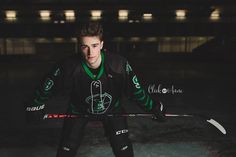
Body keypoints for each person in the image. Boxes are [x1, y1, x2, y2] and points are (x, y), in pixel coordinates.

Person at [25, 21, 166, 157]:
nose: (90, 52)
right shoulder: (68, 66)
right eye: (84, 46)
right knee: (66, 150)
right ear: (79, 46)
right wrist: (35, 105)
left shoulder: (119, 65)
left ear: (102, 45)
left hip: (112, 110)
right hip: (78, 111)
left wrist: (152, 107)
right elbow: (46, 86)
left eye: (94, 45)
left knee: (123, 150)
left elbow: (136, 92)